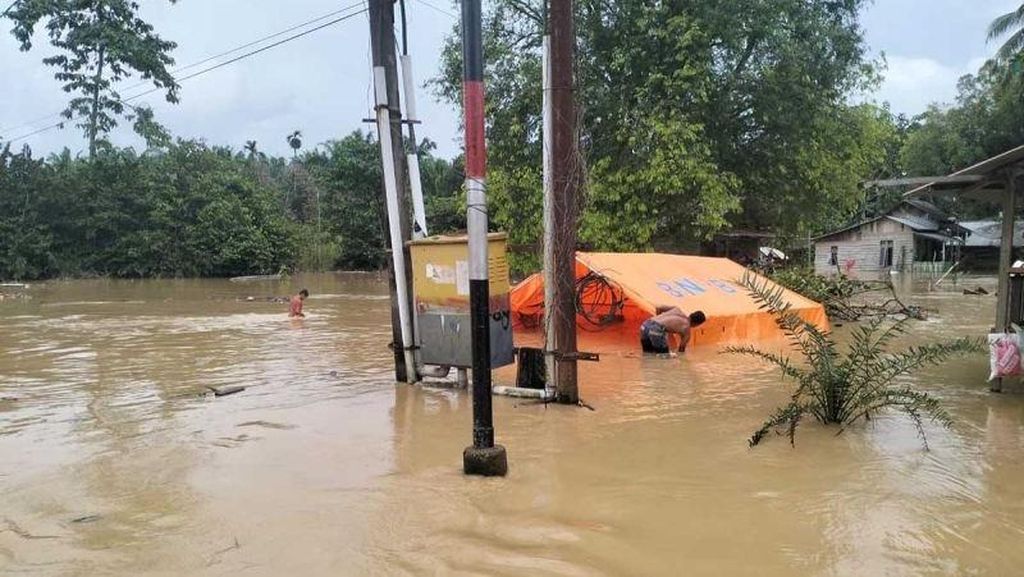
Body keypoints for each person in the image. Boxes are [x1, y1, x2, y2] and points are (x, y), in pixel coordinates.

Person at [640, 305, 706, 354]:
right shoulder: (687, 330)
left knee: (647, 354)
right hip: (657, 330)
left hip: (645, 325)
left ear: (691, 314)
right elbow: (681, 350)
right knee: (663, 357)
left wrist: (658, 319)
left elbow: (659, 308)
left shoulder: (677, 309)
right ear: (697, 324)